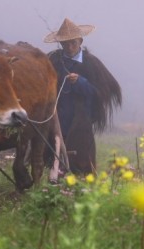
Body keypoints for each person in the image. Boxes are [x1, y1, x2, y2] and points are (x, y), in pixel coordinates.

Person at [44, 18, 122, 175]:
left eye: (73, 43)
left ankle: (83, 185)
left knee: (82, 160)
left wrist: (81, 82)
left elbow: (102, 92)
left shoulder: (91, 63)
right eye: (65, 44)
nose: (69, 47)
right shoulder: (53, 61)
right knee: (55, 156)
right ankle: (56, 183)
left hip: (81, 119)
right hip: (57, 117)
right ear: (60, 44)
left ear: (80, 41)